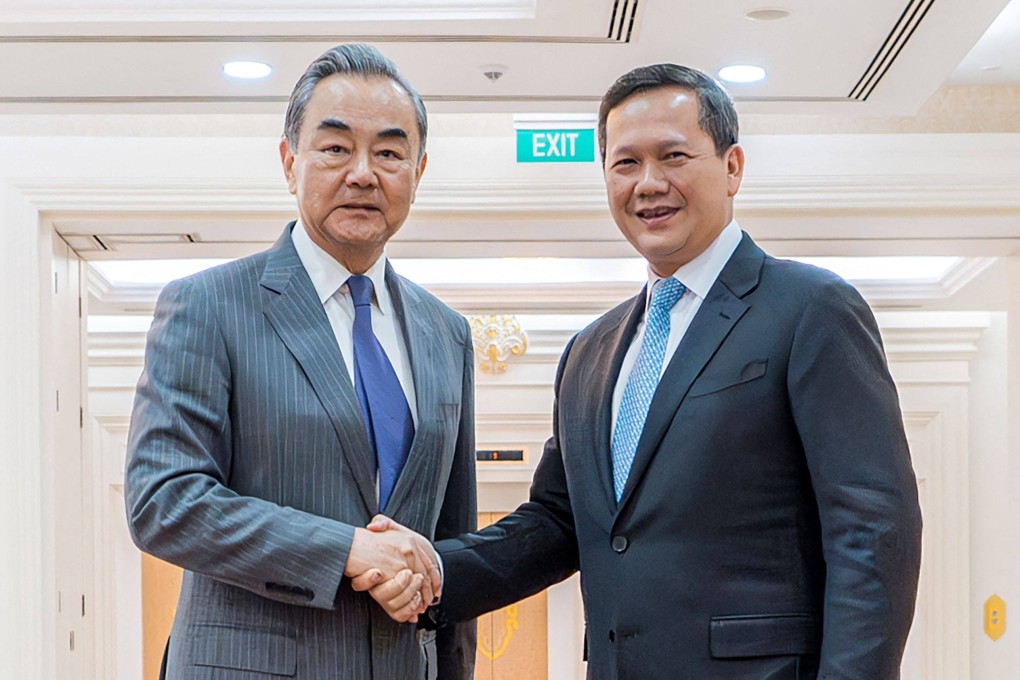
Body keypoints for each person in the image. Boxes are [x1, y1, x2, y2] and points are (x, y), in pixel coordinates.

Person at [363, 64, 923, 679]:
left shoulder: (810, 308)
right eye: (625, 163)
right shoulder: (589, 351)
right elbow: (559, 522)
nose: (649, 183)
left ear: (733, 167)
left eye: (674, 156)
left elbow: (871, 531)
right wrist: (437, 571)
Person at [124, 43, 476, 680]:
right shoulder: (208, 305)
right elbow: (164, 501)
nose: (363, 173)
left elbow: (448, 544)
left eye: (390, 152)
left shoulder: (445, 332)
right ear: (291, 163)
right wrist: (346, 548)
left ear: (418, 172)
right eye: (336, 148)